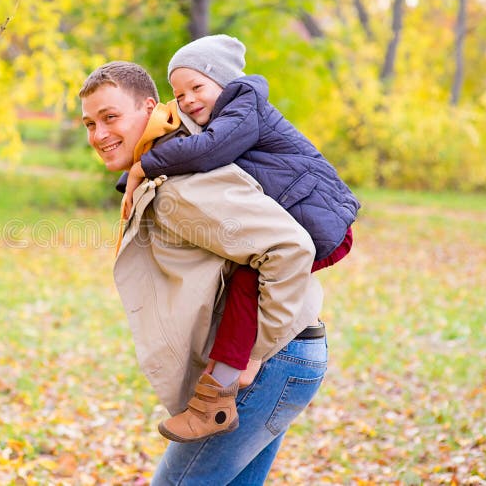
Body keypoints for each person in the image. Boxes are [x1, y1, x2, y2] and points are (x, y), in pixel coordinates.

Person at [80, 60, 328, 483]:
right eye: (89, 123)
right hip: (285, 356)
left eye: (110, 117)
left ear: (149, 107)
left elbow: (289, 247)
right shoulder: (170, 170)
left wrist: (253, 355)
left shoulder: (180, 186)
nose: (99, 134)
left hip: (267, 365)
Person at [121, 35, 359, 443]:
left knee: (249, 282)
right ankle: (221, 386)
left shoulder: (245, 104)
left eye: (197, 87)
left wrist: (142, 167)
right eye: (178, 93)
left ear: (224, 81)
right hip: (305, 215)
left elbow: (209, 150)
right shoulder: (227, 113)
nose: (188, 100)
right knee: (245, 279)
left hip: (323, 222)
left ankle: (232, 378)